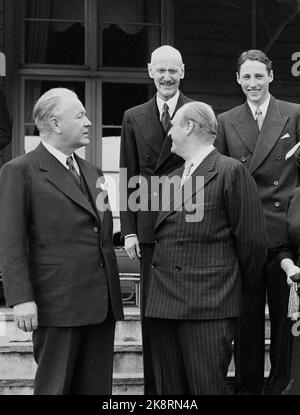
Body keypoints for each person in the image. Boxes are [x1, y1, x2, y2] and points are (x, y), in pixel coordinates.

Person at [0, 88, 124, 395]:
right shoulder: (19, 171)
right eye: (80, 115)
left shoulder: (94, 173)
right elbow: (10, 240)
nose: (90, 123)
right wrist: (21, 298)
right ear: (55, 124)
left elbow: (103, 236)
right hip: (57, 305)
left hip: (101, 306)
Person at [144, 101, 268, 395]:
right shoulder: (172, 179)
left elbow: (252, 243)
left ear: (188, 127)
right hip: (164, 305)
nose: (170, 132)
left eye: (174, 125)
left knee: (206, 389)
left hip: (208, 306)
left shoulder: (229, 171)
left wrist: (229, 290)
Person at [215, 49, 300, 394]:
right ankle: (247, 389)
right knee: (246, 323)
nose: (253, 83)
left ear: (271, 77)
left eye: (259, 76)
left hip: (285, 238)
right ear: (238, 79)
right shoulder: (225, 121)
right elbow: (221, 179)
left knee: (284, 323)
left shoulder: (294, 115)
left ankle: (281, 387)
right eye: (246, 77)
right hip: (245, 236)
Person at [119, 45, 192, 394]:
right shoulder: (134, 116)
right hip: (149, 227)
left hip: (189, 221)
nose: (167, 77)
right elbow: (128, 173)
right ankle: (155, 391)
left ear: (182, 72)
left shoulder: (197, 112)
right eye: (160, 70)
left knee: (184, 309)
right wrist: (130, 231)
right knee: (151, 315)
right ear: (150, 71)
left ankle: (182, 388)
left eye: (173, 70)